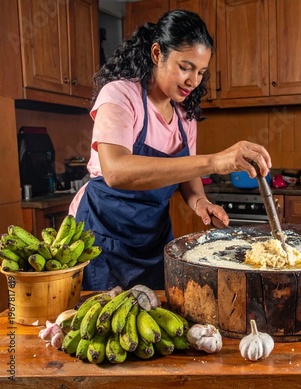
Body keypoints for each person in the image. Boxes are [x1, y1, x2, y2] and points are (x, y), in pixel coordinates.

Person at [69, 10, 272, 291]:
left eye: (200, 72)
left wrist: (201, 203)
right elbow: (116, 171)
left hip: (153, 238)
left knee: (156, 321)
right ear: (157, 53)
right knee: (106, 323)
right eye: (185, 67)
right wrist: (214, 161)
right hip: (103, 235)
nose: (194, 81)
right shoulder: (120, 95)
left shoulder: (184, 115)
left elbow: (188, 179)